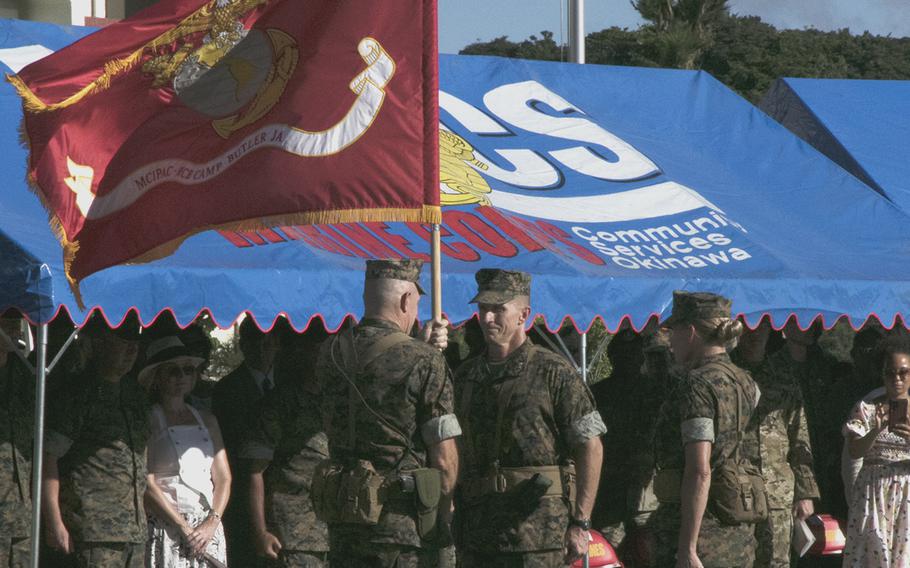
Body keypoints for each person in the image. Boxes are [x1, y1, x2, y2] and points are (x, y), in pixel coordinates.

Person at [455, 268, 606, 566]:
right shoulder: (467, 376)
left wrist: (581, 522)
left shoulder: (554, 372)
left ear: (524, 315)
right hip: (478, 535)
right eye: (483, 309)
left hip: (537, 537)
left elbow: (591, 446)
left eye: (498, 309)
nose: (487, 318)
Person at [316, 259, 458, 567]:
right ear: (407, 300)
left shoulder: (329, 352)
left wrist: (420, 346)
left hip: (344, 520)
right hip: (402, 528)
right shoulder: (425, 361)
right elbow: (444, 461)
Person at [650, 291, 759, 568]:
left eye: (673, 331)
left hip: (700, 534)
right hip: (736, 530)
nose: (670, 341)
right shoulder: (745, 381)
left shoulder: (696, 385)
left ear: (690, 331)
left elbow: (699, 469)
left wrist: (688, 548)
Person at [42, 311, 148, 567]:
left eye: (135, 341)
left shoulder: (135, 395)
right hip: (92, 532)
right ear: (100, 343)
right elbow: (48, 459)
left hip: (134, 532)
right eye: (122, 341)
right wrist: (53, 521)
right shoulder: (77, 396)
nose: (132, 349)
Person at [241, 325, 330, 567]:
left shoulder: (336, 400)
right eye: (318, 349)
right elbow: (254, 471)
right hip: (292, 533)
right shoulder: (279, 404)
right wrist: (260, 531)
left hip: (334, 530)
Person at [140, 336, 231, 567]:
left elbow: (223, 477)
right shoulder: (147, 418)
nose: (181, 377)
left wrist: (212, 522)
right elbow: (147, 481)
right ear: (157, 377)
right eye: (173, 371)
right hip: (167, 526)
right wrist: (183, 527)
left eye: (188, 370)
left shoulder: (208, 420)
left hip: (206, 528)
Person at [735, 320, 819, 568]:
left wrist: (805, 493)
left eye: (760, 327)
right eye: (748, 327)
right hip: (734, 491)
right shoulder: (725, 373)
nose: (754, 333)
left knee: (776, 562)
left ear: (770, 330)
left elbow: (799, 435)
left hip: (777, 494)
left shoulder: (782, 374)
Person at [212, 317, 281, 568]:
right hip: (242, 495)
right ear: (244, 345)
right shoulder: (226, 390)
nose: (264, 349)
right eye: (257, 343)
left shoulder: (286, 383)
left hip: (283, 498)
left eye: (269, 342)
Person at [842, 335, 910, 566]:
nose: (897, 379)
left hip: (906, 496)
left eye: (903, 372)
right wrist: (876, 430)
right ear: (882, 374)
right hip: (872, 494)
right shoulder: (867, 407)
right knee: (871, 557)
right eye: (890, 373)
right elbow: (853, 451)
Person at [0, 312, 34, 567]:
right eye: (6, 317)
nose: (14, 324)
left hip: (20, 518)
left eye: (17, 317)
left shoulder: (26, 376)